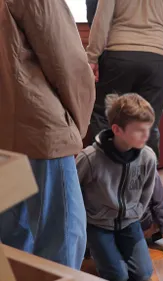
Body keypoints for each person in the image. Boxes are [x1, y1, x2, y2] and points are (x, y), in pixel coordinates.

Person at [0, 0, 95, 269]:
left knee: (12, 239)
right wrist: (75, 127)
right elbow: (66, 61)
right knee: (61, 239)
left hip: (7, 130)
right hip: (39, 129)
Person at [86, 0, 163, 159]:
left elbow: (101, 20)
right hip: (155, 58)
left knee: (103, 115)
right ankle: (150, 177)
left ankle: (104, 170)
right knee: (149, 121)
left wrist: (92, 57)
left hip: (119, 55)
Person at [76, 94, 158, 281]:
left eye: (148, 128)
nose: (147, 135)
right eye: (139, 130)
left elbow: (147, 191)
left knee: (143, 273)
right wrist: (86, 219)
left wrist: (136, 212)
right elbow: (73, 191)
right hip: (98, 225)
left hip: (129, 222)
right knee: (118, 276)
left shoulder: (148, 157)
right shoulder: (90, 158)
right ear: (117, 130)